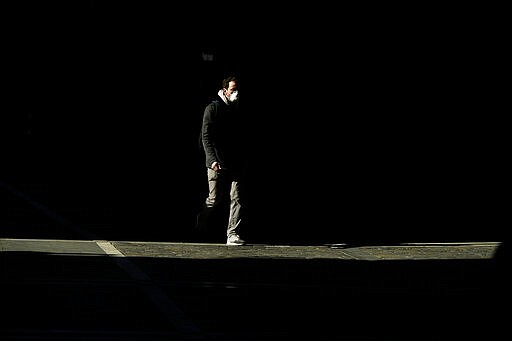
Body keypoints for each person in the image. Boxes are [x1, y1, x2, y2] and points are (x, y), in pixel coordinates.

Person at [196, 75, 248, 245]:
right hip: (216, 161)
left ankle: (232, 233)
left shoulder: (238, 110)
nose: (236, 94)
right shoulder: (213, 109)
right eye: (233, 90)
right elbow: (206, 136)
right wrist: (212, 159)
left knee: (237, 196)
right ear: (225, 91)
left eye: (237, 90)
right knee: (214, 199)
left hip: (234, 161)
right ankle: (201, 221)